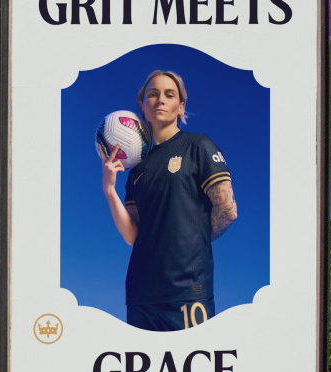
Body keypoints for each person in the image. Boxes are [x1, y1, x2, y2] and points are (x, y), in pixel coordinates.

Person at [100, 69, 238, 331]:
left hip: (188, 291)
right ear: (142, 106)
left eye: (169, 94)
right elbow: (133, 236)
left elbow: (228, 210)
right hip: (141, 294)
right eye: (152, 94)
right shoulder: (137, 171)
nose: (160, 99)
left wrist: (189, 244)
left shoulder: (198, 146)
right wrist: (109, 189)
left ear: (180, 106)